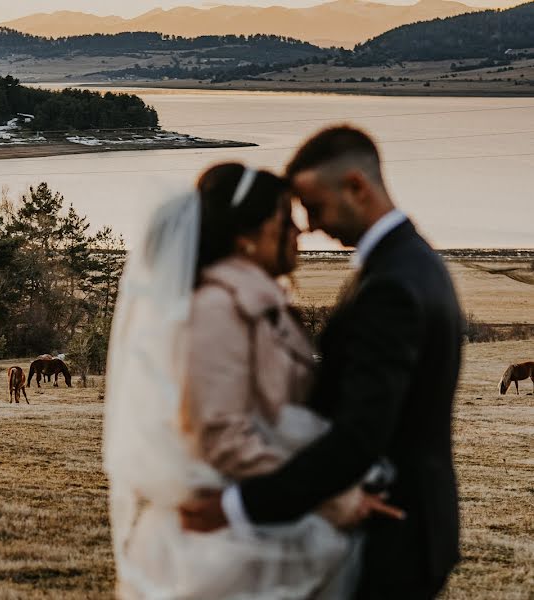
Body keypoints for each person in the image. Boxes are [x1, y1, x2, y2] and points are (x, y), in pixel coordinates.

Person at [180, 126, 464, 599]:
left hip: (394, 528)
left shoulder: (391, 284)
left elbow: (360, 435)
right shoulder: (409, 263)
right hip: (397, 523)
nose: (307, 225)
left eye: (312, 207)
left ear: (356, 187)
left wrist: (238, 506)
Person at [104, 163, 380, 599]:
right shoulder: (215, 310)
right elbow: (223, 435)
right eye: (283, 220)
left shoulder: (257, 306)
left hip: (260, 530)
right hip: (222, 552)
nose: (298, 232)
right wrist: (332, 499)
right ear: (245, 236)